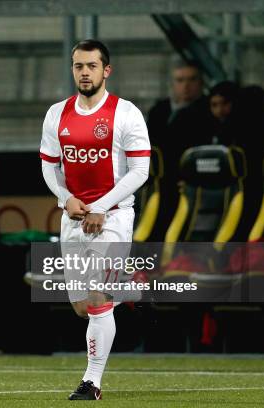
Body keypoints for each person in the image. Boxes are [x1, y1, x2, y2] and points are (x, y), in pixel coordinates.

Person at [39, 40, 150, 400]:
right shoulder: (57, 113)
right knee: (81, 307)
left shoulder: (126, 113)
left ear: (106, 70)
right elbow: (49, 166)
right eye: (78, 66)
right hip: (74, 217)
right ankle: (128, 285)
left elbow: (140, 171)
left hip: (114, 217)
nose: (84, 72)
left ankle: (92, 382)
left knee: (98, 297)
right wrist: (65, 198)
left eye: (91, 65)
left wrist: (101, 207)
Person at [146, 59, 211, 240]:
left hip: (189, 182)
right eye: (180, 80)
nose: (186, 86)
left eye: (191, 79)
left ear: (201, 83)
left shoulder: (207, 111)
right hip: (159, 182)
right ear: (172, 84)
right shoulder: (160, 110)